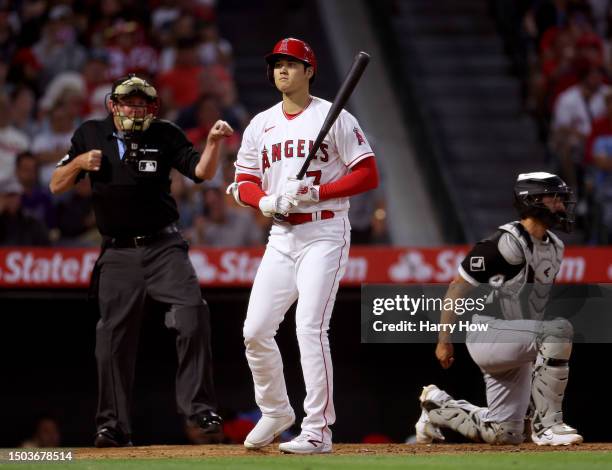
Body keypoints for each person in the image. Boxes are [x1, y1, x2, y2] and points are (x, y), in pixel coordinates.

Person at [49, 74, 233, 447]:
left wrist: (213, 143)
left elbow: (202, 172)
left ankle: (199, 408)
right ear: (113, 105)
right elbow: (56, 183)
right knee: (111, 338)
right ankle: (112, 426)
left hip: (164, 246)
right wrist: (80, 162)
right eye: (127, 102)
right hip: (117, 252)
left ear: (150, 107)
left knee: (192, 313)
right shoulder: (89, 133)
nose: (134, 108)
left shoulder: (165, 133)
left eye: (141, 103)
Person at [227, 38, 379, 454]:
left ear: (309, 71)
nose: (282, 70)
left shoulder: (333, 115)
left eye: (292, 64)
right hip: (281, 234)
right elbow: (241, 183)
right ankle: (276, 410)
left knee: (309, 327)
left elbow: (367, 174)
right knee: (255, 331)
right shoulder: (261, 123)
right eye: (277, 64)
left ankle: (318, 430)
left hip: (325, 231)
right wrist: (266, 200)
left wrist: (319, 190)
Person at [416, 172, 583, 446]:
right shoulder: (504, 244)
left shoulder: (555, 246)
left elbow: (533, 304)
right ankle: (548, 426)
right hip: (487, 334)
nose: (562, 206)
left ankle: (436, 407)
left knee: (504, 433)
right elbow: (457, 287)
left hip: (515, 338)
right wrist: (444, 341)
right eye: (556, 199)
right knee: (559, 330)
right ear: (533, 200)